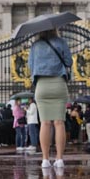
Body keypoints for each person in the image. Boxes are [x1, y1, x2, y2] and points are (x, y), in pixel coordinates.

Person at [28, 27, 72, 169]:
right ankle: (59, 159)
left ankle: (45, 159)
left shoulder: (35, 46)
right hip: (59, 83)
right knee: (59, 123)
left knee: (45, 123)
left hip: (42, 85)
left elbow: (30, 66)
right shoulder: (61, 42)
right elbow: (69, 62)